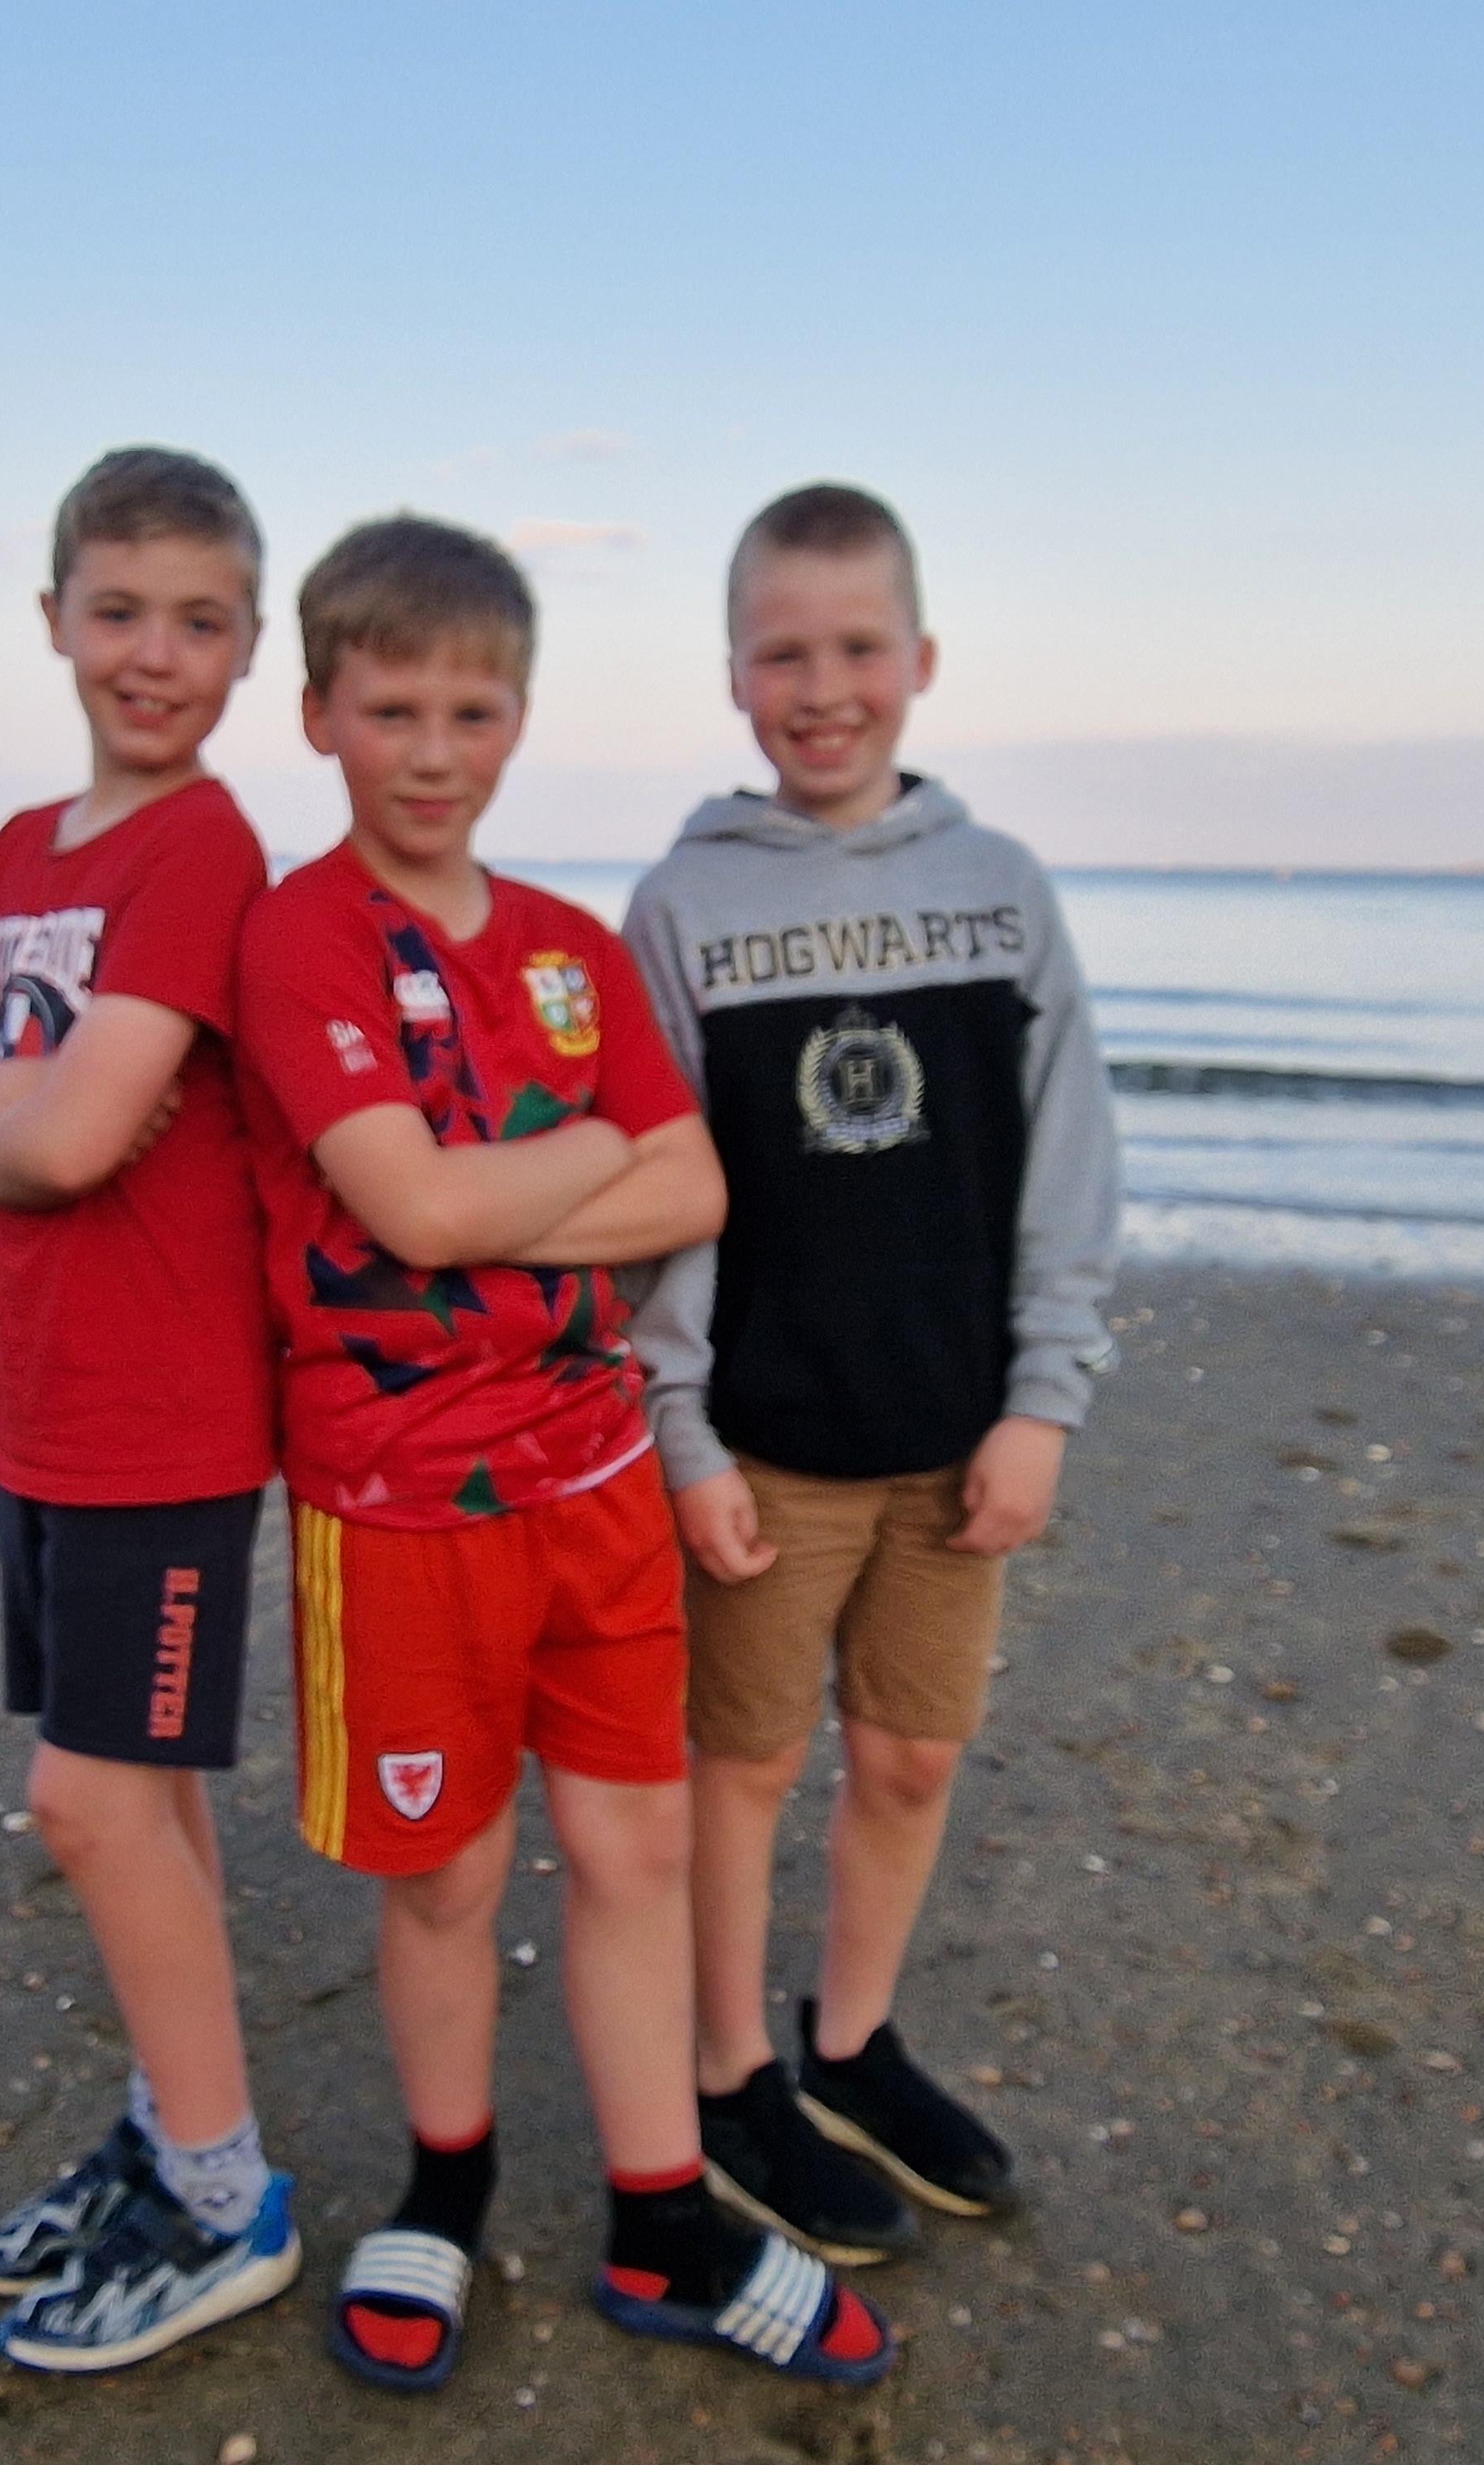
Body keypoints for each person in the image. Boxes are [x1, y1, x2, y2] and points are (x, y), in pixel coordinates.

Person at [234, 514, 894, 2394]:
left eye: (472, 713)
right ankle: (441, 2187)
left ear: (517, 719)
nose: (431, 753)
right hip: (396, 1508)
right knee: (443, 1874)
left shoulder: (568, 950)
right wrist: (571, 1165)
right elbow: (407, 1211)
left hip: (594, 1486)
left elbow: (697, 1187)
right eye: (391, 712)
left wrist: (497, 1196)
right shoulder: (299, 934)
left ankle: (658, 2219)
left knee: (633, 1843)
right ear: (319, 714)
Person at [621, 482, 1120, 2264]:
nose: (821, 689)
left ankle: (849, 2046)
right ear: (732, 675)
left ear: (920, 659)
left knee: (907, 1757)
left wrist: (1042, 1401)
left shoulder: (999, 889)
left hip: (955, 1435)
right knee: (740, 1770)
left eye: (856, 649)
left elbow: (1068, 1158)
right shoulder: (683, 903)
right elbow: (656, 1189)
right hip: (765, 1442)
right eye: (783, 655)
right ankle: (726, 2074)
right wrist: (678, 1428)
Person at [0, 445, 296, 2373]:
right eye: (118, 611)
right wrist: (8, 1115)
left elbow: (71, 1142)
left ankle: (226, 2198)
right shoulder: (24, 851)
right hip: (36, 1409)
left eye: (198, 621)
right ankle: (163, 2124)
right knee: (149, 1792)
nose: (153, 653)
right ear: (52, 620)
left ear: (249, 648)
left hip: (164, 1415)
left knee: (85, 1803)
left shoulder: (199, 851)